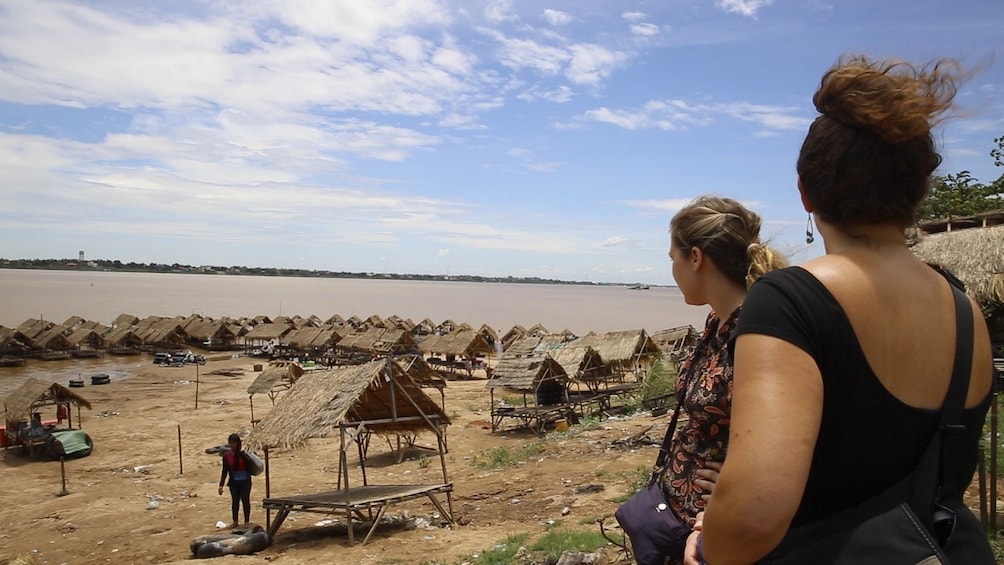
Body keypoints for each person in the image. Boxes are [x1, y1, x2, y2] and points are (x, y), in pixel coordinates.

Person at [685, 56, 993, 565]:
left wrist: (708, 542)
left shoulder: (792, 301)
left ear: (806, 193)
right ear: (917, 191)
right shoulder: (965, 310)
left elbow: (754, 516)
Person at [627, 195, 787, 564]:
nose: (672, 269)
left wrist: (738, 487)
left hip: (714, 529)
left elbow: (784, 428)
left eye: (673, 259)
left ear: (696, 258)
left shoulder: (756, 330)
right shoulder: (717, 321)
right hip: (681, 515)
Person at [218, 433, 253, 528]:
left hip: (245, 481)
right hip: (234, 482)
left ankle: (246, 521)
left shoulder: (243, 455)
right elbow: (224, 471)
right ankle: (235, 521)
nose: (232, 445)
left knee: (245, 500)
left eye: (234, 443)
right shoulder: (226, 456)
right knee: (235, 501)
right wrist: (221, 485)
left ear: (238, 443)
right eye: (231, 443)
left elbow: (250, 468)